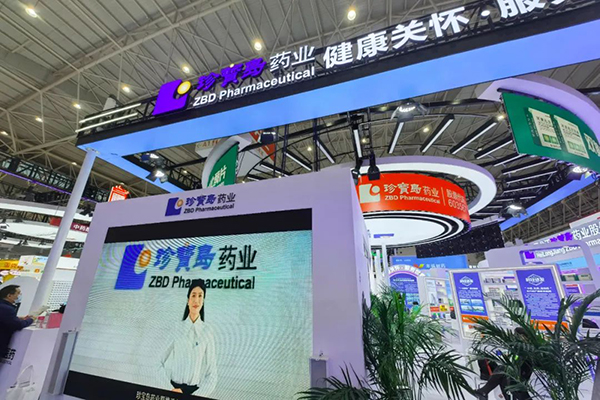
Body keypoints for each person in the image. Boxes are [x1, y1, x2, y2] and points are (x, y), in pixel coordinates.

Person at [160, 279, 217, 396]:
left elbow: (212, 374)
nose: (196, 300)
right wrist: (169, 389)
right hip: (173, 391)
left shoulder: (207, 331)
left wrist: (195, 396)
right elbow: (157, 362)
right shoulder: (176, 327)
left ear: (203, 301)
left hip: (194, 392)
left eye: (200, 296)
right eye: (193, 295)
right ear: (188, 300)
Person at [473, 327, 532, 400]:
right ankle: (483, 392)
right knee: (502, 373)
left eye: (517, 336)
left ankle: (483, 392)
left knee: (502, 370)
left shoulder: (529, 351)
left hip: (521, 381)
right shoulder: (517, 350)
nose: (515, 338)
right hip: (514, 378)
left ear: (524, 337)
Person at [0, 285, 34, 358]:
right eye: (18, 293)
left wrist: (17, 318)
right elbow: (18, 325)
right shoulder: (7, 309)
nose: (19, 295)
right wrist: (31, 319)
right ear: (9, 295)